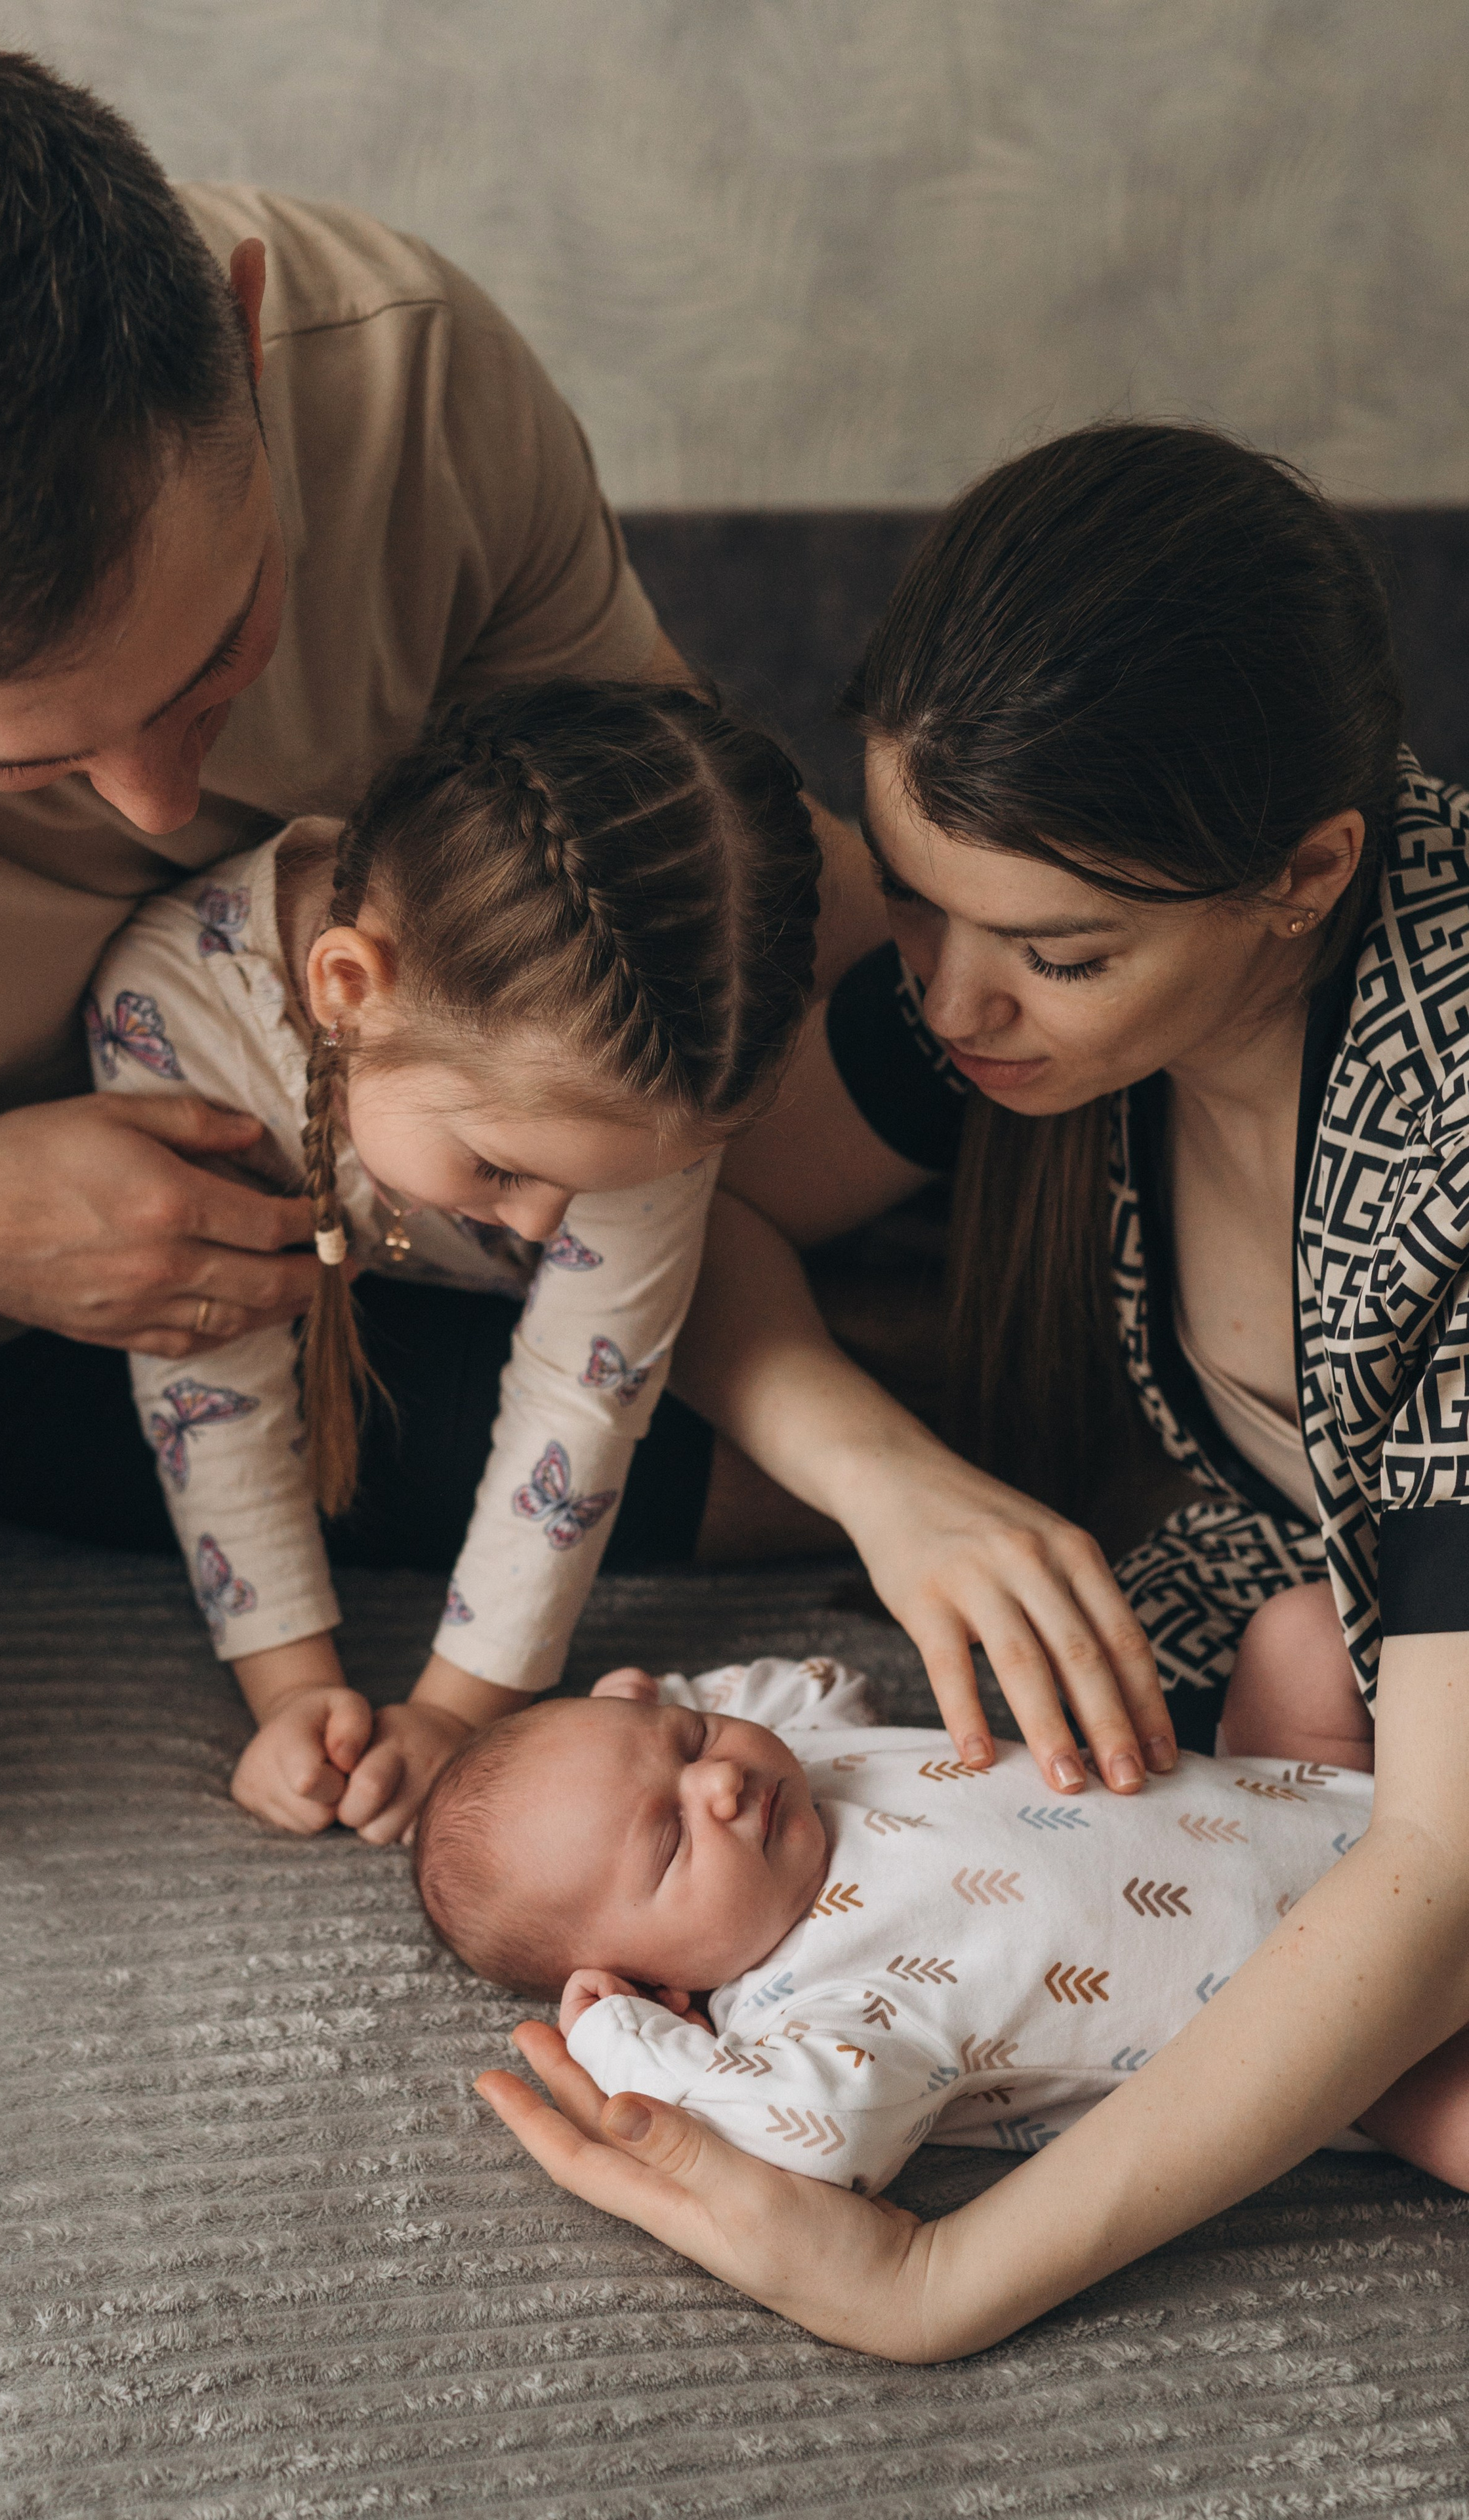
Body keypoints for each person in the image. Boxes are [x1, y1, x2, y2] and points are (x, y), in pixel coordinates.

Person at [476, 422, 1469, 2361]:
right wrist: (880, 1473)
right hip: (1324, 1662)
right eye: (919, 909)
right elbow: (702, 1212)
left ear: (1308, 874)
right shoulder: (1020, 958)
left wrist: (937, 2274)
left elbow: (1439, 1870)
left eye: (1053, 956)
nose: (947, 1004)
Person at [0, 41, 880, 1548]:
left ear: (244, 344)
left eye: (219, 654)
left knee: (921, 1106)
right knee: (737, 1496)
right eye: (18, 761)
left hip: (467, 1115)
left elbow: (682, 835)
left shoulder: (398, 372)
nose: (165, 806)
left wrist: (991, 985)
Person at [89, 680, 820, 1842]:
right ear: (345, 990)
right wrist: (292, 1695)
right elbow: (209, 1385)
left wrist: (457, 1714)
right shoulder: (171, 1015)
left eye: (591, 1186)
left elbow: (582, 1395)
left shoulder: (659, 1067)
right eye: (498, 1167)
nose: (539, 1227)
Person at [433, 1650, 1469, 2194]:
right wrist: (628, 2044)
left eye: (689, 1739)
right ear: (654, 1977)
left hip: (1341, 1798)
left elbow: (823, 1681)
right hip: (1363, 2035)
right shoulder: (815, 2006)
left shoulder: (804, 1755)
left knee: (1297, 1628)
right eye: (667, 1842)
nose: (718, 1782)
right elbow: (828, 2139)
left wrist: (657, 1694)